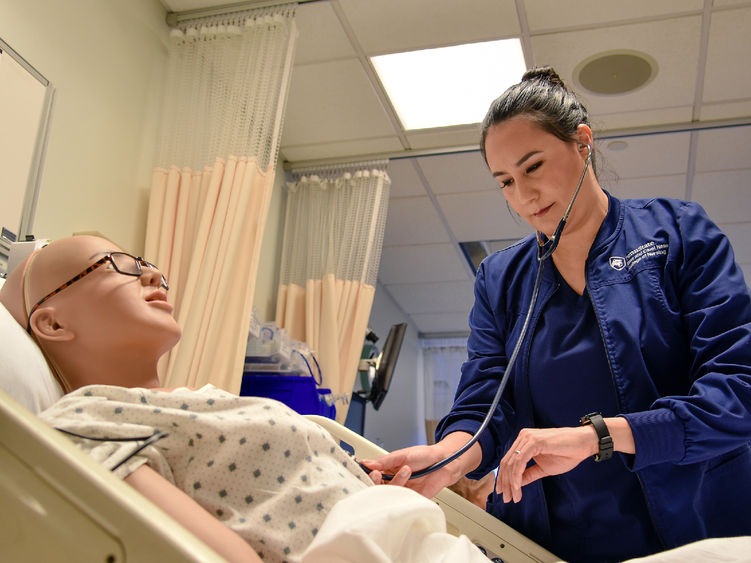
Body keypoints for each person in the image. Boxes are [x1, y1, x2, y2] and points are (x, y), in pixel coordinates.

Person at [363, 67, 751, 562]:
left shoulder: (678, 234)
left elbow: (738, 390)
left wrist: (601, 437)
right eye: (504, 181)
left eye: (533, 167)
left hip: (692, 526)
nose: (522, 196)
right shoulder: (500, 280)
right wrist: (448, 455)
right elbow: (486, 399)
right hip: (551, 542)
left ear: (581, 143)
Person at [0, 235, 487, 563]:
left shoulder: (201, 400)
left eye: (148, 264)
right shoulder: (86, 420)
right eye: (120, 266)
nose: (153, 275)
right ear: (52, 323)